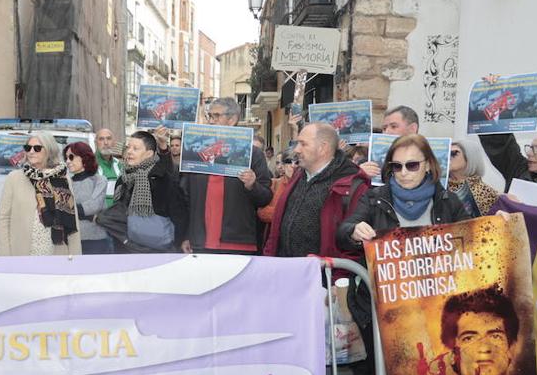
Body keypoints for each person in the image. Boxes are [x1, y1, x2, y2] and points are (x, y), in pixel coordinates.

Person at [337, 133, 468, 375]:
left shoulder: (448, 201)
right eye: (396, 166)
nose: (405, 173)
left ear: (428, 165)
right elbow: (344, 229)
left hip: (432, 305)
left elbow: (472, 239)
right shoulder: (376, 198)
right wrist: (354, 230)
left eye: (412, 165)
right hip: (382, 305)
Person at [417, 288, 537, 375]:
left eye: (495, 336)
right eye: (469, 338)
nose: (484, 348)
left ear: (511, 347)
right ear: (452, 353)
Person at [263, 122, 368, 260]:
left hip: (323, 276)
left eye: (303, 144)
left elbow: (353, 244)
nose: (297, 150)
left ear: (322, 148)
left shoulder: (352, 185)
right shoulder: (298, 175)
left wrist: (338, 277)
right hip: (285, 269)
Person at [181, 98, 272, 254]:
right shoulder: (196, 154)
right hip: (200, 242)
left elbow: (265, 198)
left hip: (237, 243)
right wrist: (187, 234)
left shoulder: (253, 154)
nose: (211, 121)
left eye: (216, 116)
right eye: (210, 116)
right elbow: (186, 198)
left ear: (232, 120)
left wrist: (252, 185)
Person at [96, 131, 188, 253]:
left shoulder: (163, 180)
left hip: (157, 251)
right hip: (126, 250)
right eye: (128, 147)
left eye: (135, 149)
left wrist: (179, 242)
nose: (129, 151)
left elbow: (179, 215)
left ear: (149, 153)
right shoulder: (123, 179)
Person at [0, 131, 81, 256]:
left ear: (49, 151)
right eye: (28, 148)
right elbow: (3, 219)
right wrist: (5, 256)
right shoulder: (14, 178)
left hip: (55, 253)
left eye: (37, 148)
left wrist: (75, 258)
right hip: (21, 253)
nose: (31, 151)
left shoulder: (62, 179)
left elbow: (72, 221)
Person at [65, 141, 112, 254]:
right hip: (71, 240)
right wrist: (89, 217)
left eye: (71, 157)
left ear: (84, 157)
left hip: (96, 240)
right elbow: (61, 209)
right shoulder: (66, 183)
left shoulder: (99, 180)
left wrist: (70, 211)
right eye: (66, 158)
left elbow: (94, 206)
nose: (67, 161)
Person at [359, 105, 419, 180]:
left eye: (394, 126)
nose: (386, 132)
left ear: (412, 129)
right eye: (384, 128)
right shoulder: (369, 161)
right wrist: (359, 175)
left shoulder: (426, 160)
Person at [447, 139, 499, 216]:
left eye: (454, 153)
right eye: (446, 153)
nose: (448, 157)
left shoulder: (486, 192)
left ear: (469, 157)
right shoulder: (438, 186)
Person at [94, 128, 123, 209]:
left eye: (109, 139)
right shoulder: (88, 164)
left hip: (116, 215)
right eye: (101, 139)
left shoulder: (119, 165)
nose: (106, 143)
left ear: (114, 142)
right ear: (96, 142)